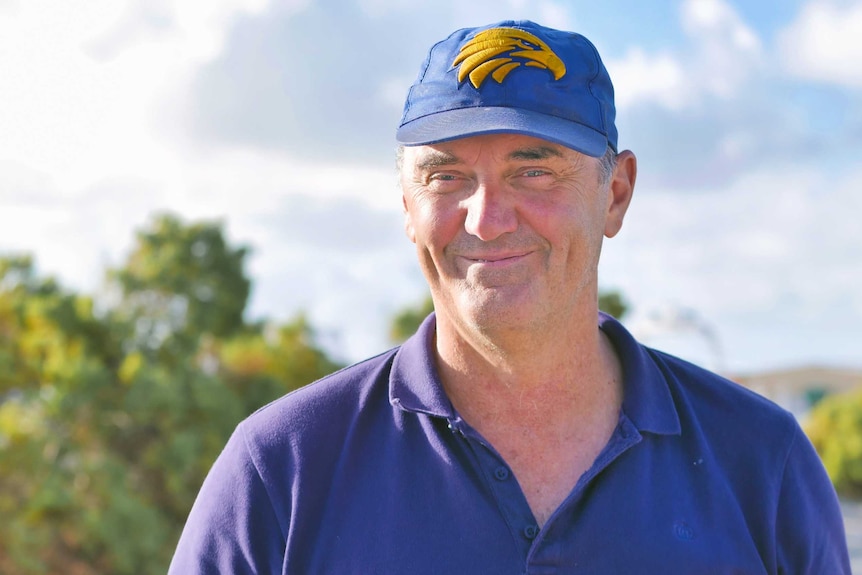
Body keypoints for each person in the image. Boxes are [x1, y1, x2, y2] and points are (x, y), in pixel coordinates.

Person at [169, 20, 851, 573]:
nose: (487, 218)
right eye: (447, 176)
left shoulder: (761, 461)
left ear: (615, 194)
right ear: (407, 203)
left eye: (534, 170)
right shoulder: (281, 468)